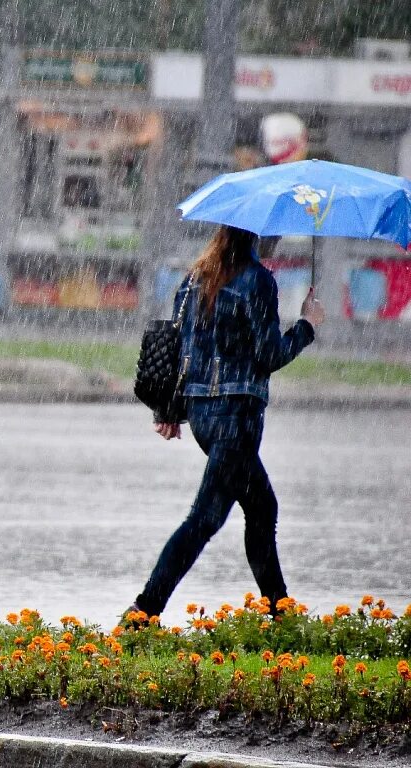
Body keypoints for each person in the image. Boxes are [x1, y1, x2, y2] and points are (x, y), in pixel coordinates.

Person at [127, 225, 325, 621]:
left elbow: (182, 353)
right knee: (204, 519)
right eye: (274, 235)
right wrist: (307, 326)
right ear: (259, 237)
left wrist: (169, 411)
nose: (278, 240)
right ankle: (143, 611)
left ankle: (280, 612)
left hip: (203, 417)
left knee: (263, 507)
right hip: (238, 419)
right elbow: (270, 355)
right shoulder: (258, 280)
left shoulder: (194, 278)